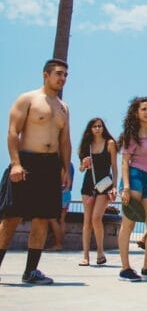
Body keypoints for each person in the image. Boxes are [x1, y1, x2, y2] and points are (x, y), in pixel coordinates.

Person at [0, 58, 71, 285]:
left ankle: (30, 271)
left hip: (50, 166)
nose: (62, 78)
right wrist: (16, 163)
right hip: (26, 162)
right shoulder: (28, 99)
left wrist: (65, 169)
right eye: (58, 74)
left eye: (65, 75)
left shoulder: (63, 107)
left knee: (42, 219)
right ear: (46, 75)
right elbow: (13, 132)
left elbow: (64, 141)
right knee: (11, 220)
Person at [117, 96, 147, 281]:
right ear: (136, 113)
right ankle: (125, 268)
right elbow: (124, 161)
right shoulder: (132, 135)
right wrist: (126, 187)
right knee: (128, 224)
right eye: (144, 109)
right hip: (134, 177)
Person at [77, 117, 118, 266]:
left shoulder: (110, 143)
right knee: (87, 221)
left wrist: (114, 186)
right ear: (90, 129)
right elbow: (82, 169)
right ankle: (86, 255)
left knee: (96, 218)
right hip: (88, 185)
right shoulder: (86, 145)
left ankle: (100, 252)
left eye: (100, 126)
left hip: (104, 185)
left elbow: (114, 166)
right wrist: (83, 164)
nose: (98, 129)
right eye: (94, 126)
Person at [47, 161, 74, 252]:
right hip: (67, 194)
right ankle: (60, 244)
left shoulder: (61, 164)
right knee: (62, 220)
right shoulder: (70, 165)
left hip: (59, 194)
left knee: (52, 219)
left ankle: (58, 244)